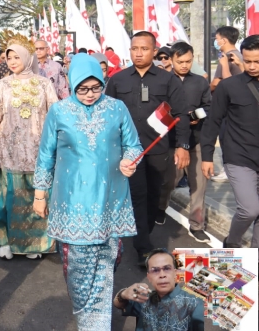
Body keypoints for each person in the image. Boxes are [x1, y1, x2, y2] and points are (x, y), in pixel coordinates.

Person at [34, 53, 142, 329]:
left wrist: (130, 161)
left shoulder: (117, 108)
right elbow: (46, 155)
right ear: (72, 84)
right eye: (83, 88)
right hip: (71, 203)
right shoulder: (59, 111)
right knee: (78, 271)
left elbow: (134, 145)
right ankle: (91, 321)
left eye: (96, 87)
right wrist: (40, 193)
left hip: (110, 200)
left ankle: (96, 322)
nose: (90, 94)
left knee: (108, 264)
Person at [105, 31, 190, 266]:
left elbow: (181, 113)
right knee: (138, 195)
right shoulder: (118, 80)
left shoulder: (167, 80)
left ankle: (145, 232)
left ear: (154, 51)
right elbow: (106, 115)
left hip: (158, 149)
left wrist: (182, 146)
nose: (138, 53)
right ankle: (143, 247)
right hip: (128, 151)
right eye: (134, 49)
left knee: (156, 196)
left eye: (144, 49)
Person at [0, 42, 57, 260]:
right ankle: (7, 241)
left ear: (27, 58)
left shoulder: (44, 84)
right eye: (9, 58)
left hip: (38, 149)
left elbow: (54, 114)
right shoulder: (2, 84)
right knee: (8, 198)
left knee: (35, 196)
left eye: (17, 57)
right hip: (9, 151)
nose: (12, 62)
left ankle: (35, 243)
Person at [202, 35, 259, 248]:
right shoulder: (229, 86)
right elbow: (212, 122)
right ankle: (232, 242)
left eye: (257, 61)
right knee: (250, 209)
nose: (252, 66)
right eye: (248, 61)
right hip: (239, 156)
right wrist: (207, 157)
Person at [158, 42, 212, 244]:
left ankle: (197, 225)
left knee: (198, 185)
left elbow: (208, 106)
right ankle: (160, 207)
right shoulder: (163, 81)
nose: (184, 65)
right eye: (180, 61)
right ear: (171, 60)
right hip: (171, 141)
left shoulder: (200, 82)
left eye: (188, 61)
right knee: (169, 181)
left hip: (196, 139)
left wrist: (197, 116)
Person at [114, 248, 205, 330]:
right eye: (155, 270)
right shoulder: (144, 299)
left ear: (175, 274)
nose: (162, 275)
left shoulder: (194, 304)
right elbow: (118, 304)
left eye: (167, 269)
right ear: (149, 277)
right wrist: (123, 294)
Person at [211, 26, 242, 93]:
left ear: (224, 41)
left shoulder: (226, 58)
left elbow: (215, 83)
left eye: (216, 39)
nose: (215, 42)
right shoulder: (239, 55)